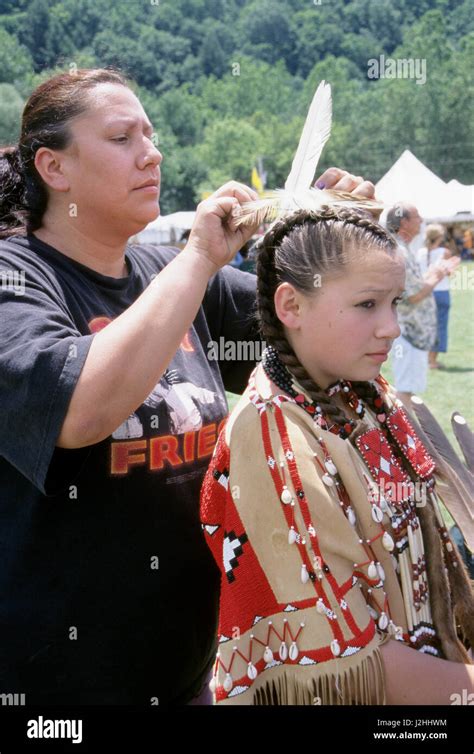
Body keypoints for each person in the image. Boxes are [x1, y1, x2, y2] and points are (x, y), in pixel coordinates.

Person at [0, 66, 375, 706]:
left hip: (187, 672)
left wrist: (337, 245)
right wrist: (200, 258)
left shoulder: (165, 273)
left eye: (150, 133)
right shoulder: (17, 279)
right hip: (52, 689)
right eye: (122, 138)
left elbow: (322, 351)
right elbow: (79, 409)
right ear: (53, 169)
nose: (152, 152)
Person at [200, 206, 474, 705]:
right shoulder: (273, 435)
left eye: (394, 302)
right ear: (292, 306)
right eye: (368, 304)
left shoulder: (360, 395)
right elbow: (354, 664)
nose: (391, 327)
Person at [385, 204, 458, 407]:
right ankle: (405, 435)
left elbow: (414, 284)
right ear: (404, 222)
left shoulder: (403, 248)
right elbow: (414, 295)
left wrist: (435, 272)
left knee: (408, 388)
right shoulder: (400, 252)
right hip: (409, 333)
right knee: (405, 391)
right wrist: (438, 276)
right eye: (417, 217)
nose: (422, 220)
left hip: (412, 333)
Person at [417, 224, 459, 369]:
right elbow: (448, 273)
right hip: (441, 292)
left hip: (424, 292)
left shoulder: (420, 252)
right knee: (439, 327)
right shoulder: (445, 252)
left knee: (425, 326)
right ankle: (432, 361)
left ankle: (423, 360)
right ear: (440, 237)